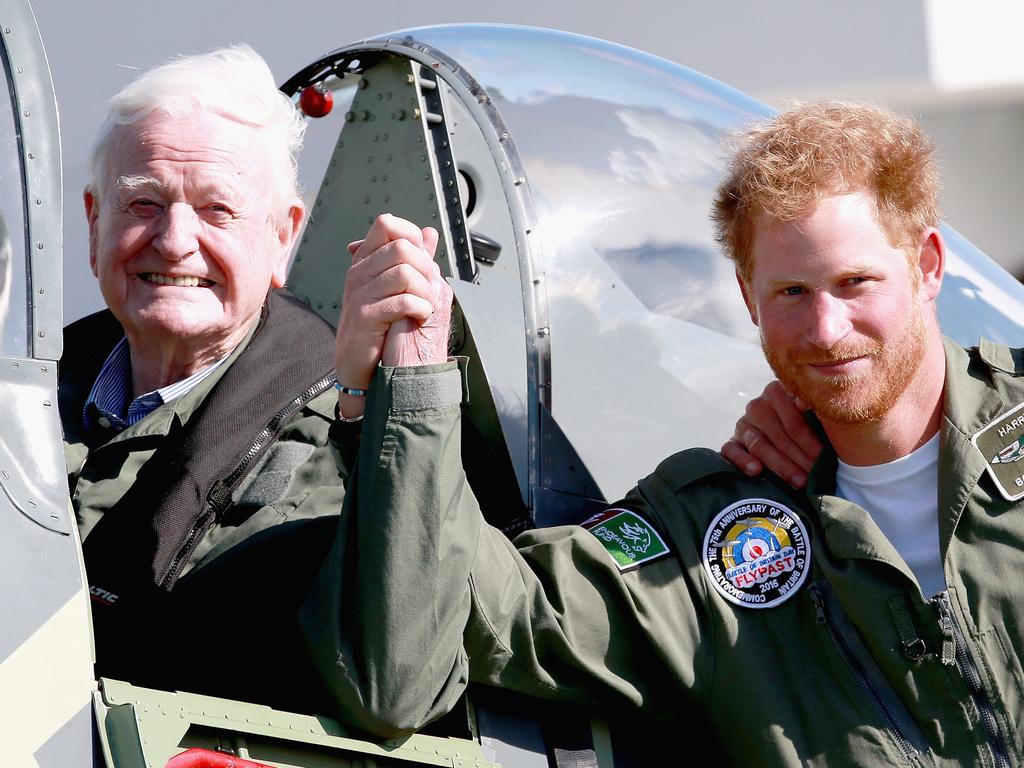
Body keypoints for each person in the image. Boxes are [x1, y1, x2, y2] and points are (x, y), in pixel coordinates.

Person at [306, 101, 1024, 764]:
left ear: (927, 266)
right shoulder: (710, 534)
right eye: (792, 293)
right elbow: (419, 654)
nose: (827, 331)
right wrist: (405, 390)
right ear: (747, 296)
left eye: (856, 282)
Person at [58, 45, 351, 713]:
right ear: (93, 221)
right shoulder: (33, 392)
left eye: (217, 210)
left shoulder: (340, 448)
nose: (174, 240)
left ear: (283, 238)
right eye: (143, 204)